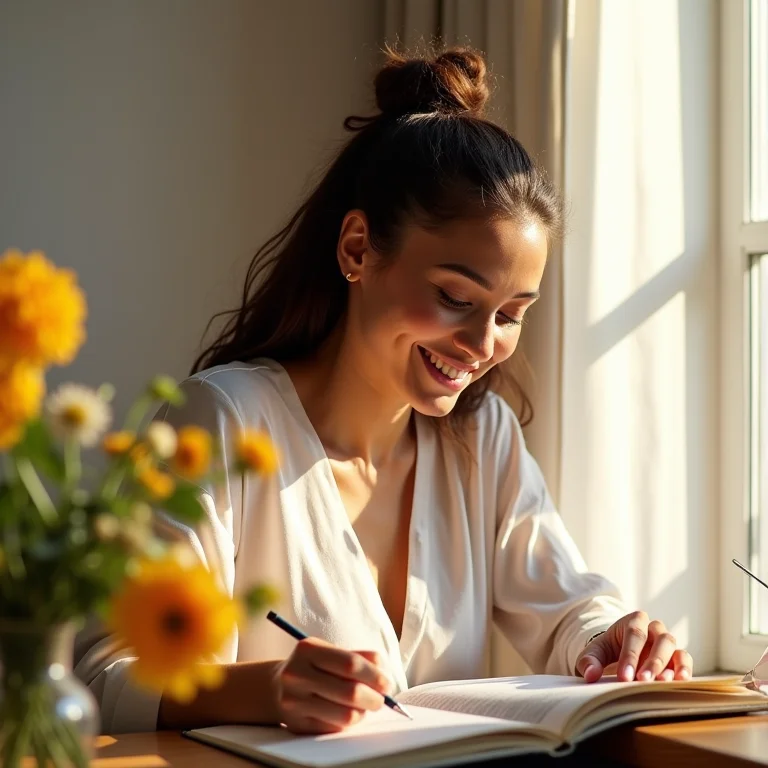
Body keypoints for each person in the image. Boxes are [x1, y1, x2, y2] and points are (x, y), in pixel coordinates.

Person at [75, 46, 693, 735]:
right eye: (455, 297)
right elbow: (107, 676)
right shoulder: (221, 420)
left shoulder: (481, 441)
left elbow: (570, 609)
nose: (484, 345)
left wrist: (614, 642)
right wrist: (269, 689)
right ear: (358, 249)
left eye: (513, 313)